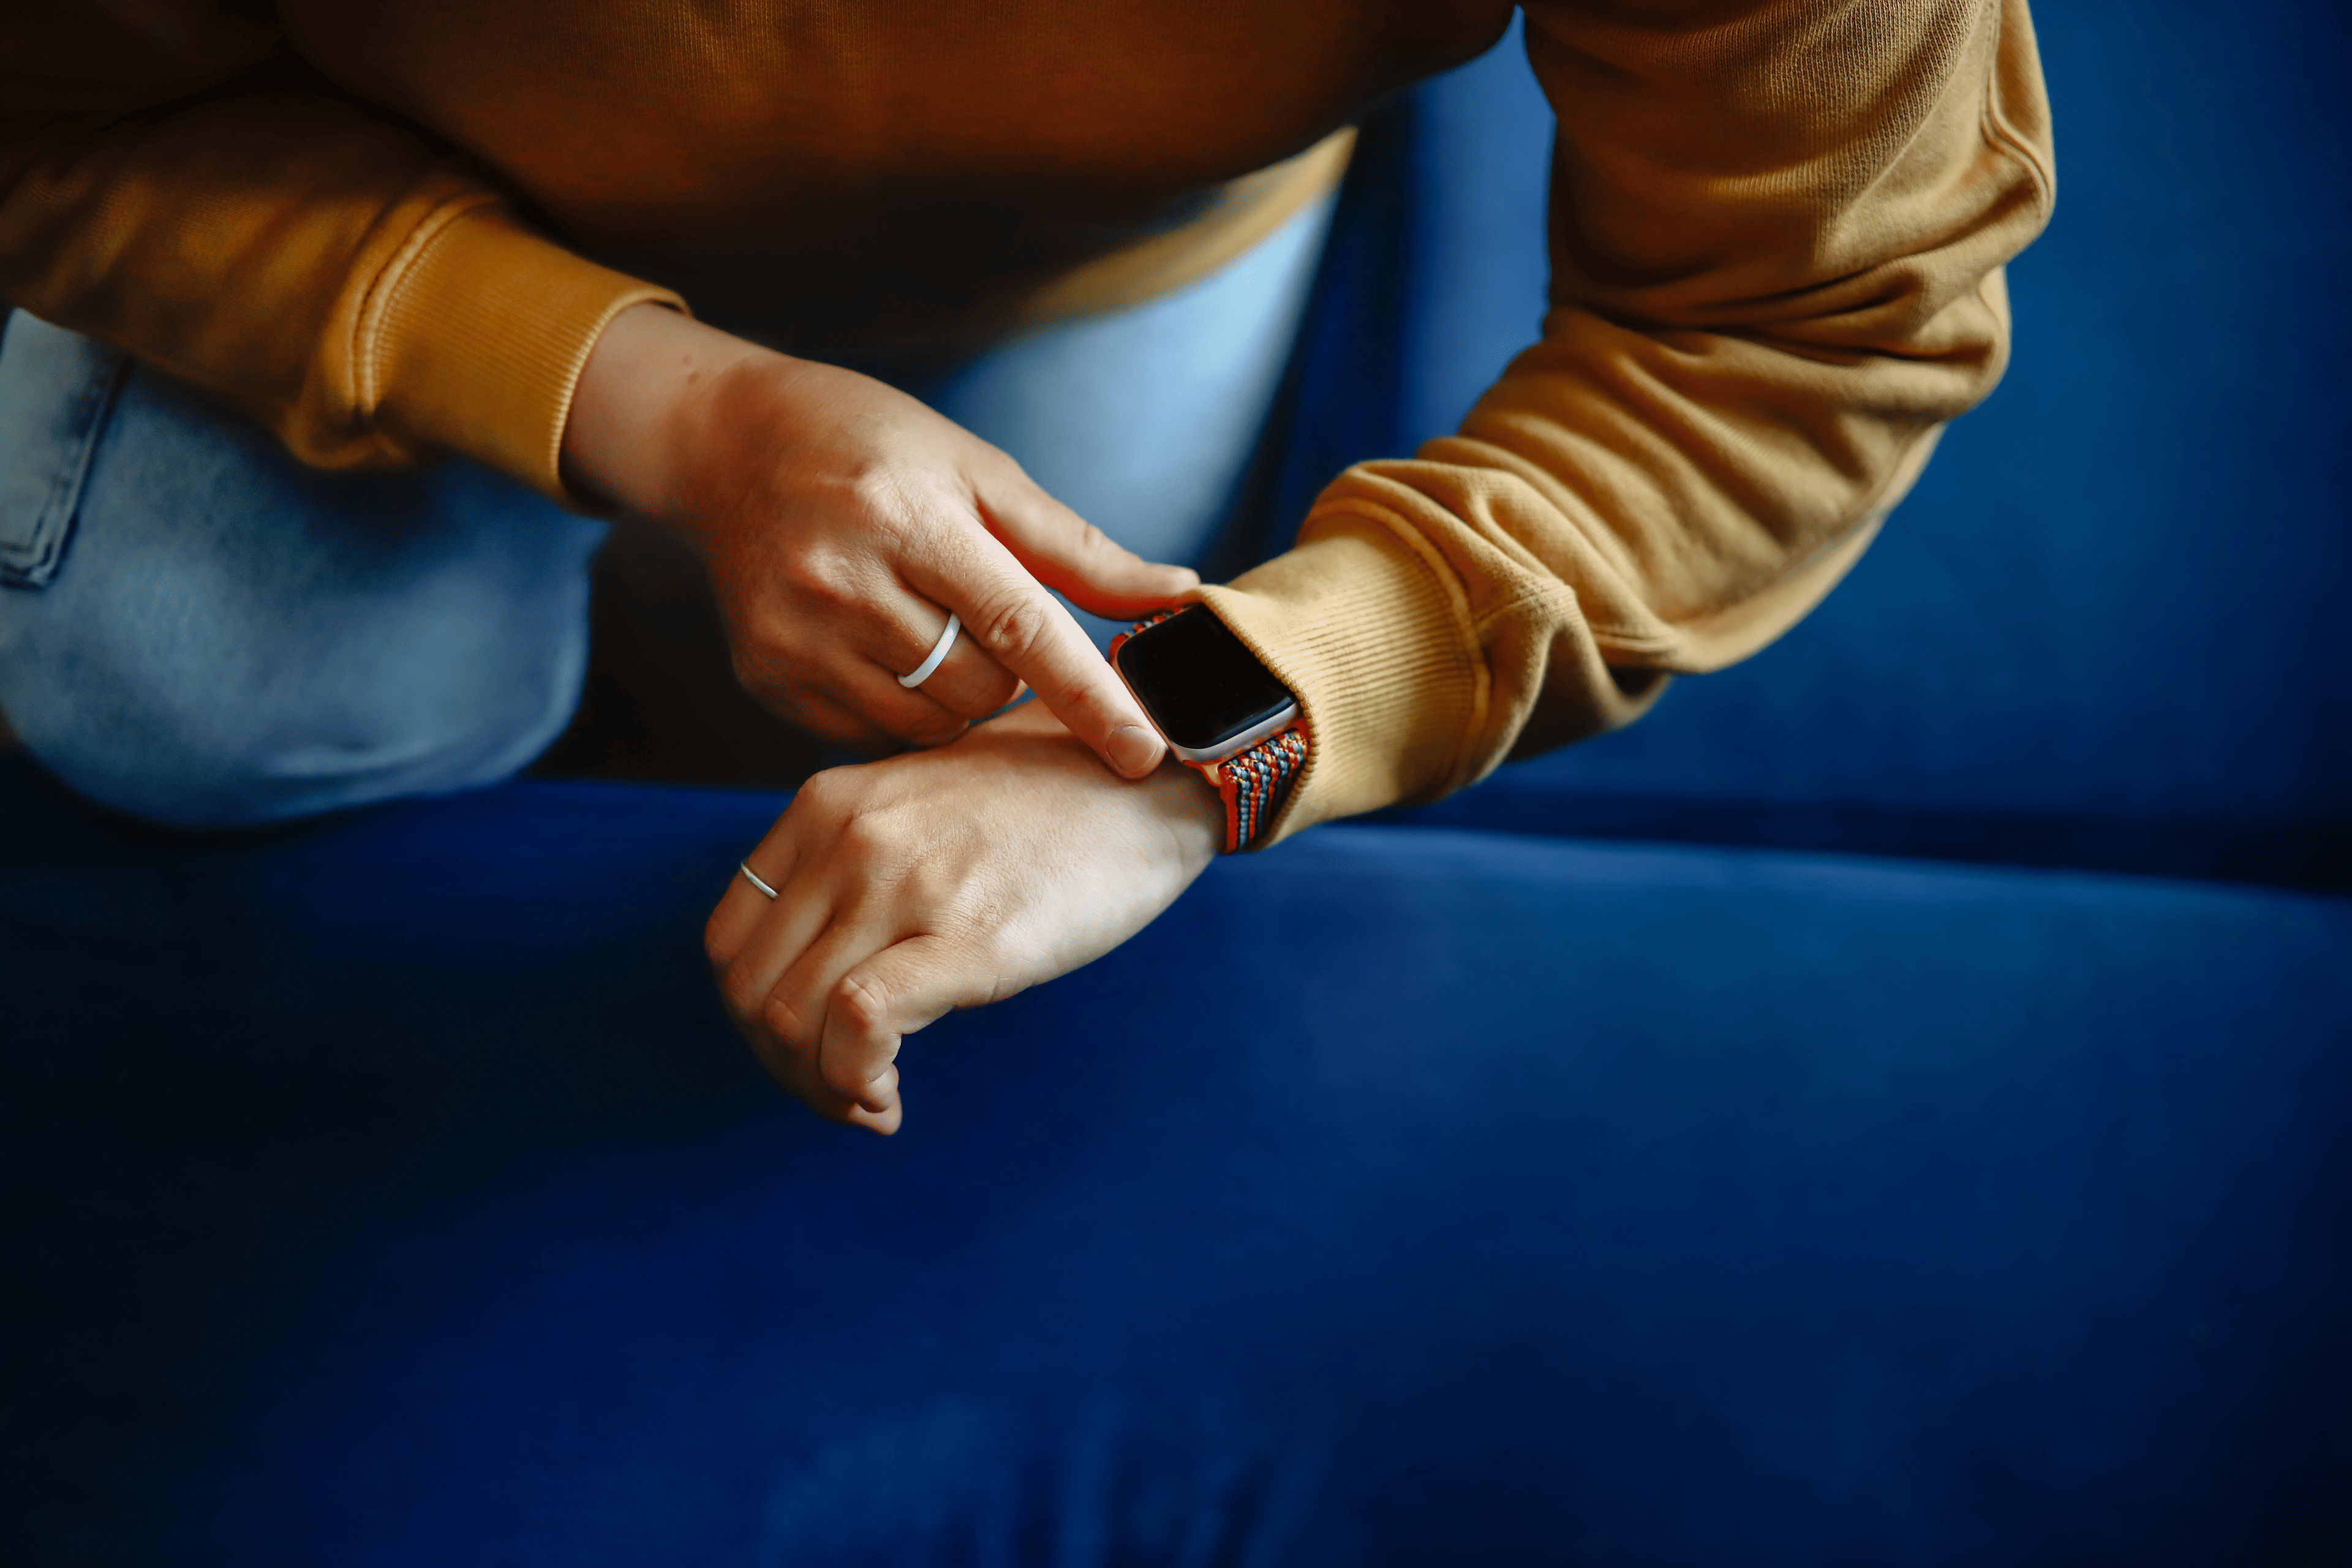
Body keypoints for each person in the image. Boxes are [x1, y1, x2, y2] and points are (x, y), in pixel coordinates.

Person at [0, 1, 2054, 1133]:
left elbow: (1811, 323)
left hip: (1117, 234)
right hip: (376, 172)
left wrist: (1200, 738)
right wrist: (658, 403)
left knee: (896, 840)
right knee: (181, 689)